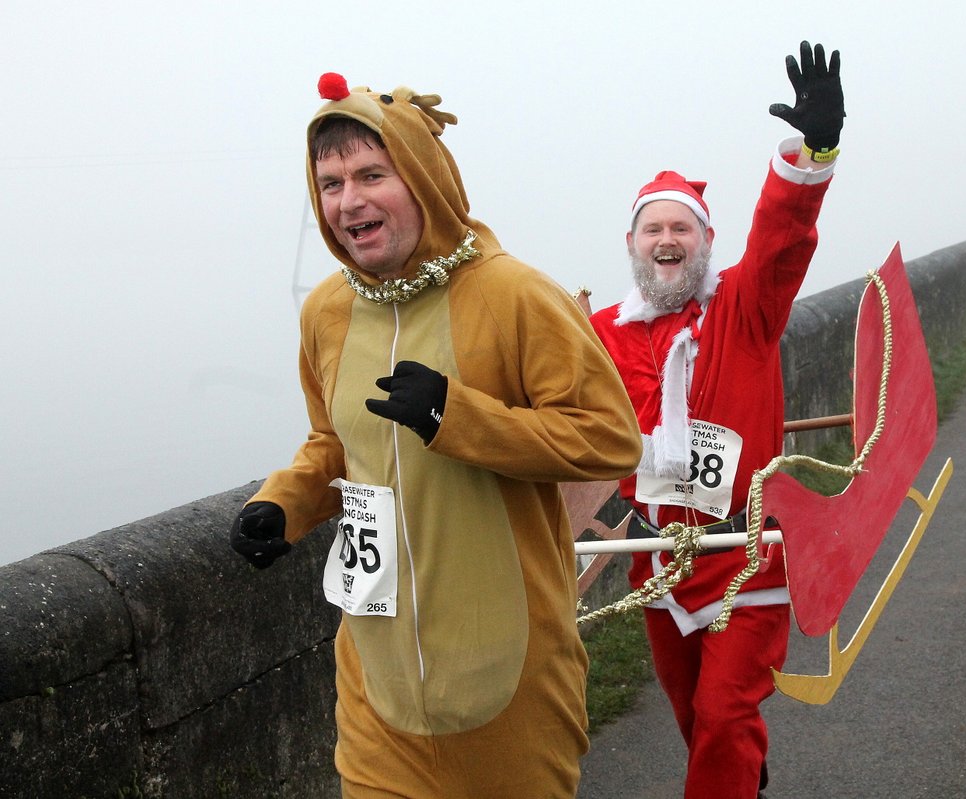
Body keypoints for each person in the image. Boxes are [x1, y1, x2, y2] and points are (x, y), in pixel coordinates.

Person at [229, 72, 642, 798]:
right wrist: (284, 503)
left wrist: (453, 417)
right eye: (329, 183)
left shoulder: (515, 294)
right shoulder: (327, 311)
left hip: (507, 677)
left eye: (369, 174)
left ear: (421, 177)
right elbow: (334, 441)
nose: (347, 200)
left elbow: (609, 438)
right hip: (375, 678)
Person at [589, 41, 845, 799]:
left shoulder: (745, 307)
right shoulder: (602, 330)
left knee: (725, 713)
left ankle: (733, 771)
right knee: (693, 714)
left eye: (682, 229)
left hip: (746, 551)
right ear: (633, 246)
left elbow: (782, 236)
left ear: (705, 242)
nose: (667, 241)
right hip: (658, 555)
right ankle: (741, 776)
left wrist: (814, 153)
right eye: (653, 230)